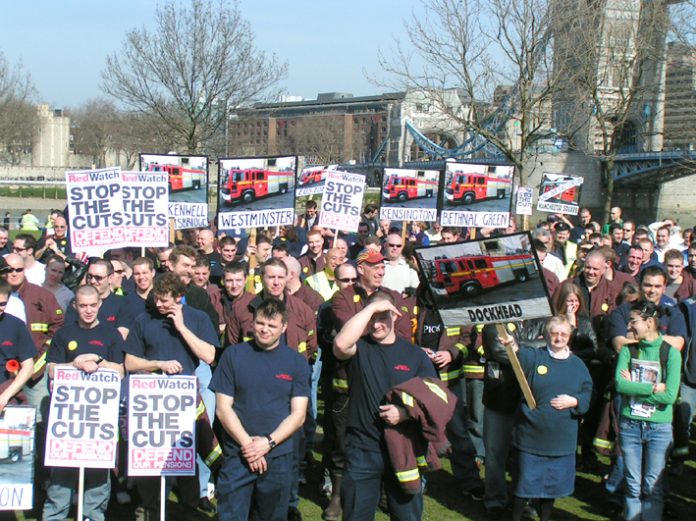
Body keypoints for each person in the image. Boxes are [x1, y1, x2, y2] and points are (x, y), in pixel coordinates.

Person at [333, 291, 437, 521]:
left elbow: (435, 400)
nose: (377, 324)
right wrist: (369, 309)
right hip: (362, 449)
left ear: (395, 315)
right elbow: (340, 343)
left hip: (404, 450)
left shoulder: (415, 355)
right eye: (372, 319)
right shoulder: (359, 347)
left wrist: (405, 413)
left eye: (383, 317)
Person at [124, 273, 220, 519]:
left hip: (185, 402)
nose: (159, 305)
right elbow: (130, 363)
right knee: (150, 462)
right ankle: (151, 508)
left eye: (165, 301)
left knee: (186, 458)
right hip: (151, 402)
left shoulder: (197, 318)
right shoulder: (142, 320)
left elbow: (209, 356)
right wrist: (158, 364)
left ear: (179, 298)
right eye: (157, 299)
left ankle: (188, 506)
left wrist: (180, 327)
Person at [211, 299, 310, 521]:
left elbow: (298, 415)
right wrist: (248, 445)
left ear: (284, 327)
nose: (264, 329)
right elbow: (223, 409)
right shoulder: (233, 355)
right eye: (260, 323)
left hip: (278, 455)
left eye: (272, 325)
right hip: (238, 453)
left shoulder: (296, 362)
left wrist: (268, 443)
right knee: (230, 515)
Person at [42, 285, 125, 521]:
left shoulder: (111, 335)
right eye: (83, 306)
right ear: (75, 306)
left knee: (99, 473)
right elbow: (51, 369)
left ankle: (93, 515)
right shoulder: (64, 334)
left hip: (100, 419)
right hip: (69, 419)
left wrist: (98, 360)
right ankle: (54, 515)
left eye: (92, 305)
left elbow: (120, 370)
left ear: (100, 304)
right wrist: (75, 363)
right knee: (61, 474)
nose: (88, 311)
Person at [503, 316, 592, 521]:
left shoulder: (578, 365)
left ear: (569, 337)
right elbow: (518, 353)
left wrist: (575, 401)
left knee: (550, 488)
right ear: (546, 335)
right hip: (531, 437)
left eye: (563, 334)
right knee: (523, 486)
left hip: (560, 441)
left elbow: (588, 394)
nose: (558, 338)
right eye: (554, 333)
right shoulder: (535, 356)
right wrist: (511, 344)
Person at [615, 300, 681, 521]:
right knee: (633, 485)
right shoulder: (628, 350)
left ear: (650, 322)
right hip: (630, 424)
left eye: (633, 322)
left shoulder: (670, 353)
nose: (629, 328)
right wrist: (653, 387)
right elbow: (620, 385)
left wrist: (635, 385)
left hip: (659, 427)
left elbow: (670, 395)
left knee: (653, 486)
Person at [0, 278, 36, 411]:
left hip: (6, 393)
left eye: (2, 304)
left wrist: (5, 396)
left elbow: (28, 366)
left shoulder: (16, 325)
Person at [553, 282, 597, 363]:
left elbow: (593, 349)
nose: (574, 305)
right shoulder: (552, 321)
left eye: (576, 301)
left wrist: (572, 354)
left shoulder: (585, 322)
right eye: (570, 301)